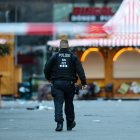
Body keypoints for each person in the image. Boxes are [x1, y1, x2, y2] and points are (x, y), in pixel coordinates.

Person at [44, 39, 87, 131]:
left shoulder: (54, 57)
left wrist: (49, 78)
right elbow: (80, 70)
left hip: (57, 83)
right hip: (69, 84)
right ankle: (70, 123)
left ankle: (59, 124)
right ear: (68, 47)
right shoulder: (73, 57)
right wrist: (83, 83)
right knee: (69, 104)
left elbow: (46, 68)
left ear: (60, 47)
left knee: (58, 103)